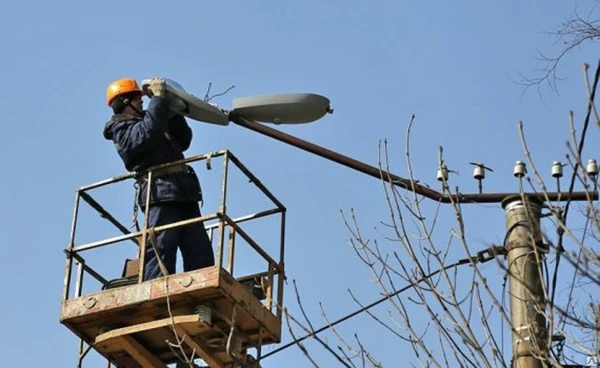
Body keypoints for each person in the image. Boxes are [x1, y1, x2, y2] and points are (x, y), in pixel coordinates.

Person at [103, 77, 215, 281]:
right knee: (160, 248)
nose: (141, 101)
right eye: (137, 98)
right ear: (124, 103)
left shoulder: (151, 120)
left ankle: (201, 289)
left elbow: (183, 140)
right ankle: (156, 289)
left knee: (199, 249)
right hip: (159, 193)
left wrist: (173, 114)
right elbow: (147, 134)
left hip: (183, 191)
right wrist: (159, 101)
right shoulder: (121, 130)